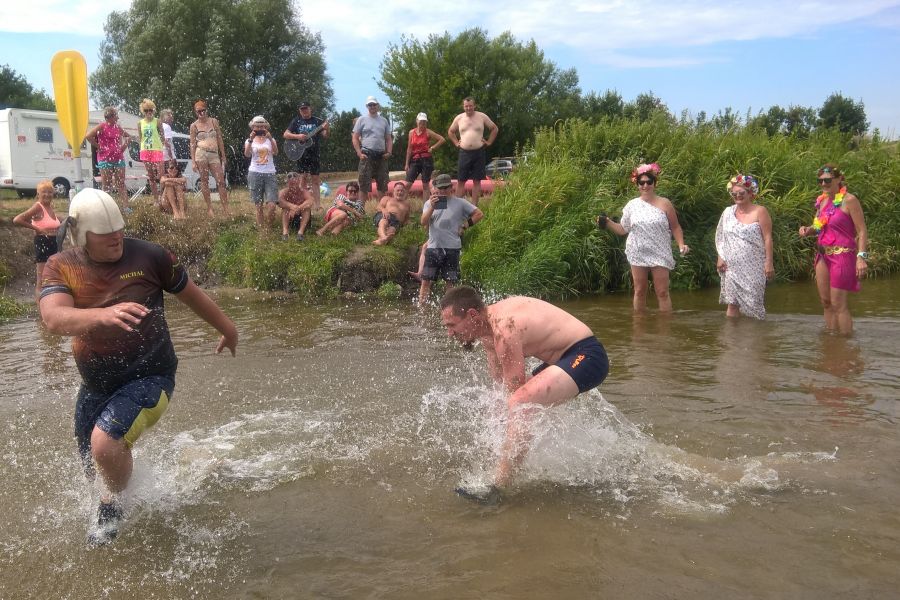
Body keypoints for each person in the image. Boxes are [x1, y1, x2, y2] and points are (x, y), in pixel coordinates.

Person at [38, 188, 238, 545]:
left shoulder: (150, 256)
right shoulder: (62, 265)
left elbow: (193, 295)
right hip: (96, 385)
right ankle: (124, 497)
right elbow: (53, 317)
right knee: (91, 464)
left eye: (119, 228)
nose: (116, 237)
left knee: (105, 445)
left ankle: (113, 507)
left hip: (151, 376)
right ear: (83, 235)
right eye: (105, 232)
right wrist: (102, 315)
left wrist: (229, 329)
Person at [440, 286, 609, 502]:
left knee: (520, 402)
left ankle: (499, 489)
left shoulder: (503, 329)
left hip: (587, 356)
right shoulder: (487, 332)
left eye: (452, 325)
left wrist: (506, 442)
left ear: (472, 315)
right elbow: (499, 388)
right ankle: (516, 464)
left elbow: (515, 392)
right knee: (506, 402)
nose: (450, 333)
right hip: (562, 360)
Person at [598, 163, 689, 312]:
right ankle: (639, 330)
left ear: (654, 183)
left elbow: (675, 227)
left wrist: (681, 244)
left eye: (649, 182)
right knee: (639, 292)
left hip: (660, 252)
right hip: (637, 251)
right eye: (641, 182)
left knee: (662, 292)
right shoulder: (631, 205)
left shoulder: (665, 204)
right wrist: (607, 222)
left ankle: (665, 331)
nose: (645, 185)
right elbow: (622, 229)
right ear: (637, 184)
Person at [798, 164, 868, 334]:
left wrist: (861, 257)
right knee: (826, 302)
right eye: (820, 181)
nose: (823, 184)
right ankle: (831, 343)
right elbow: (818, 226)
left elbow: (862, 231)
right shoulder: (821, 200)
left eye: (827, 180)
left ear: (838, 179)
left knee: (839, 304)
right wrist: (808, 230)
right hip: (823, 255)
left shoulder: (849, 200)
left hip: (843, 255)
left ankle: (846, 346)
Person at [417, 173, 483, 305]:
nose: (442, 191)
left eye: (445, 188)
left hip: (452, 248)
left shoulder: (460, 203)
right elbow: (423, 222)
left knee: (450, 283)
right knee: (425, 281)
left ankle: (449, 310)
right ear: (436, 188)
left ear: (451, 187)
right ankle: (422, 310)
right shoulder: (429, 203)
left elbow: (479, 214)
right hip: (433, 247)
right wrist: (432, 207)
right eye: (440, 188)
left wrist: (465, 226)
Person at [715, 174, 774, 319]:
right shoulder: (728, 212)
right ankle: (732, 338)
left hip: (754, 267)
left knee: (755, 304)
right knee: (732, 303)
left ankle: (755, 338)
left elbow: (767, 238)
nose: (737, 196)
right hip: (732, 267)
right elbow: (722, 237)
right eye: (734, 194)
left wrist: (769, 263)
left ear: (750, 193)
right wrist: (720, 257)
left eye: (741, 193)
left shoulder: (760, 211)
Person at [12, 180, 60, 299]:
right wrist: (36, 229)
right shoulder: (38, 207)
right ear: (38, 193)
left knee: (53, 277)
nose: (47, 195)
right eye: (44, 192)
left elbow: (55, 223)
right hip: (43, 242)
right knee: (42, 280)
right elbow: (17, 219)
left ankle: (50, 303)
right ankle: (40, 311)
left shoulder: (50, 207)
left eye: (50, 192)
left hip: (54, 243)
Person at [447, 97, 498, 205]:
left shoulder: (482, 116)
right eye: (466, 106)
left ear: (474, 106)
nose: (469, 108)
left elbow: (494, 129)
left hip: (478, 152)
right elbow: (451, 132)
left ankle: (474, 207)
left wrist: (489, 142)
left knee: (477, 181)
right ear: (463, 106)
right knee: (461, 180)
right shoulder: (459, 118)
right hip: (464, 152)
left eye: (470, 106)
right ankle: (457, 206)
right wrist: (456, 143)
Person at [283, 101, 329, 211]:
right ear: (300, 110)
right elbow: (285, 134)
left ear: (310, 108)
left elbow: (325, 136)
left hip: (314, 153)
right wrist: (298, 136)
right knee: (302, 178)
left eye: (306, 108)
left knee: (315, 179)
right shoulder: (296, 121)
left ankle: (317, 205)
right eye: (302, 109)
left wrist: (327, 128)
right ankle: (303, 202)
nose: (304, 111)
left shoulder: (317, 121)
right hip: (301, 153)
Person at [85, 107, 131, 211]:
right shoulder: (102, 126)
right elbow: (88, 136)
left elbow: (129, 137)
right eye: (116, 116)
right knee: (107, 185)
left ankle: (126, 207)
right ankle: (105, 208)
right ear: (110, 117)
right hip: (105, 159)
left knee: (121, 183)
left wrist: (122, 148)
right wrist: (99, 146)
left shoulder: (117, 127)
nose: (118, 118)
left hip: (118, 158)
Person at [189, 99, 230, 217]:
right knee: (204, 180)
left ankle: (226, 208)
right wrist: (193, 161)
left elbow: (220, 139)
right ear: (195, 112)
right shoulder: (194, 125)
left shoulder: (213, 121)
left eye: (203, 110)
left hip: (213, 154)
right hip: (201, 153)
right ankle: (209, 208)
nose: (201, 113)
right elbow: (192, 144)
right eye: (198, 111)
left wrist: (223, 156)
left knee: (221, 181)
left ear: (206, 110)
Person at [351, 96, 392, 203]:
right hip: (366, 154)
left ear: (378, 106)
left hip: (381, 155)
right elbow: (355, 137)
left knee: (382, 184)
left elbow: (388, 139)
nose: (372, 106)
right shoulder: (361, 119)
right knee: (363, 184)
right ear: (367, 106)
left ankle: (381, 210)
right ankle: (360, 211)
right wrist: (359, 153)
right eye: (370, 105)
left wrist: (389, 152)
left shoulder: (384, 121)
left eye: (374, 104)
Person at [243, 115, 279, 230]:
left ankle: (268, 227)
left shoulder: (271, 140)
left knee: (272, 205)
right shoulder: (249, 140)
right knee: (258, 205)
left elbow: (276, 152)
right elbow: (247, 154)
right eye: (257, 126)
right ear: (253, 127)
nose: (259, 128)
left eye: (261, 126)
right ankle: (261, 230)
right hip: (254, 172)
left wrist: (270, 138)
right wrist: (250, 140)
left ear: (265, 127)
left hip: (270, 173)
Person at [404, 112, 445, 198]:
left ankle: (425, 208)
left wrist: (432, 148)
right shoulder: (411, 132)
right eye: (421, 121)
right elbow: (409, 148)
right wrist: (407, 163)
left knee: (425, 184)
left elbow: (442, 139)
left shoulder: (428, 132)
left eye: (424, 122)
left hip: (426, 159)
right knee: (408, 183)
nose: (422, 123)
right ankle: (400, 204)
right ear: (417, 121)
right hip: (415, 159)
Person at [137, 99, 165, 202]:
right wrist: (143, 147)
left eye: (151, 110)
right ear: (143, 111)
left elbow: (162, 134)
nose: (149, 112)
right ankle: (156, 199)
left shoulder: (157, 121)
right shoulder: (140, 123)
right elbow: (141, 138)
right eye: (146, 110)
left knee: (161, 175)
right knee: (151, 176)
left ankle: (163, 197)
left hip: (157, 150)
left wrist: (161, 144)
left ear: (153, 110)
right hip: (145, 150)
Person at [372, 181, 411, 245]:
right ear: (393, 191)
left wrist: (407, 224)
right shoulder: (387, 198)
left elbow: (406, 218)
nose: (400, 192)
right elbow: (378, 207)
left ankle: (381, 240)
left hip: (396, 222)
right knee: (384, 222)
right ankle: (384, 237)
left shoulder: (407, 204)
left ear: (404, 192)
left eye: (402, 191)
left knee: (392, 230)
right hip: (386, 215)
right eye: (398, 190)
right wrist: (384, 210)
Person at [279, 172, 315, 240]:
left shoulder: (303, 191)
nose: (293, 186)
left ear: (298, 182)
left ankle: (300, 233)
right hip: (290, 217)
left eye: (295, 183)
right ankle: (285, 232)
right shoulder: (284, 192)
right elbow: (279, 201)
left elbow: (310, 201)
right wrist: (291, 206)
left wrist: (298, 208)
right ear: (287, 183)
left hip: (302, 217)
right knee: (285, 209)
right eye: (291, 184)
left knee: (306, 209)